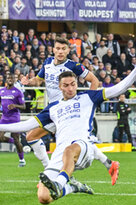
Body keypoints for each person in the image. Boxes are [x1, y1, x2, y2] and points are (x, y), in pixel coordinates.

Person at [0, 57, 136, 204]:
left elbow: (119, 88)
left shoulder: (88, 97)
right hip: (60, 155)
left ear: (77, 84)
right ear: (59, 87)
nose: (70, 88)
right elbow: (25, 126)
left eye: (73, 84)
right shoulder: (53, 108)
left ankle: (60, 183)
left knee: (70, 150)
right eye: (66, 85)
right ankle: (71, 187)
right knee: (44, 197)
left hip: (83, 148)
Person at [21, 37, 119, 185]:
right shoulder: (47, 63)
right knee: (41, 138)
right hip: (52, 110)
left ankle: (50, 173)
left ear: (68, 50)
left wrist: (88, 104)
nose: (60, 52)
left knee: (32, 137)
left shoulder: (74, 66)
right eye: (58, 48)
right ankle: (108, 164)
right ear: (53, 49)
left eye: (63, 49)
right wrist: (29, 82)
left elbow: (94, 80)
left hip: (65, 110)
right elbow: (39, 80)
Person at [0, 74, 26, 167]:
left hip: (14, 118)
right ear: (6, 80)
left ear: (14, 80)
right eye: (8, 78)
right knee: (0, 137)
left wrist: (15, 105)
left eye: (12, 78)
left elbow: (23, 106)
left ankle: (22, 159)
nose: (10, 79)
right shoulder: (1, 91)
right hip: (4, 118)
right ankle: (12, 141)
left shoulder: (18, 92)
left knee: (16, 139)